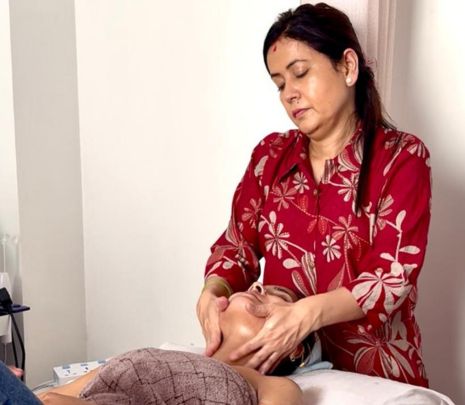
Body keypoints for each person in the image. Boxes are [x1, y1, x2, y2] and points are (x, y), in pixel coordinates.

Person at [197, 2, 431, 387]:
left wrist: (306, 315)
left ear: (348, 66)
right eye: (279, 84)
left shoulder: (402, 159)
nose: (289, 94)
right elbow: (236, 248)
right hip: (286, 373)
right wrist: (212, 292)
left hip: (377, 375)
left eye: (300, 73)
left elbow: (390, 277)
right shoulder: (270, 157)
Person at [37, 283, 304, 405]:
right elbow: (52, 397)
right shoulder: (158, 355)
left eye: (277, 296)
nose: (257, 287)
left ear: (294, 346)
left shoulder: (268, 384)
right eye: (259, 287)